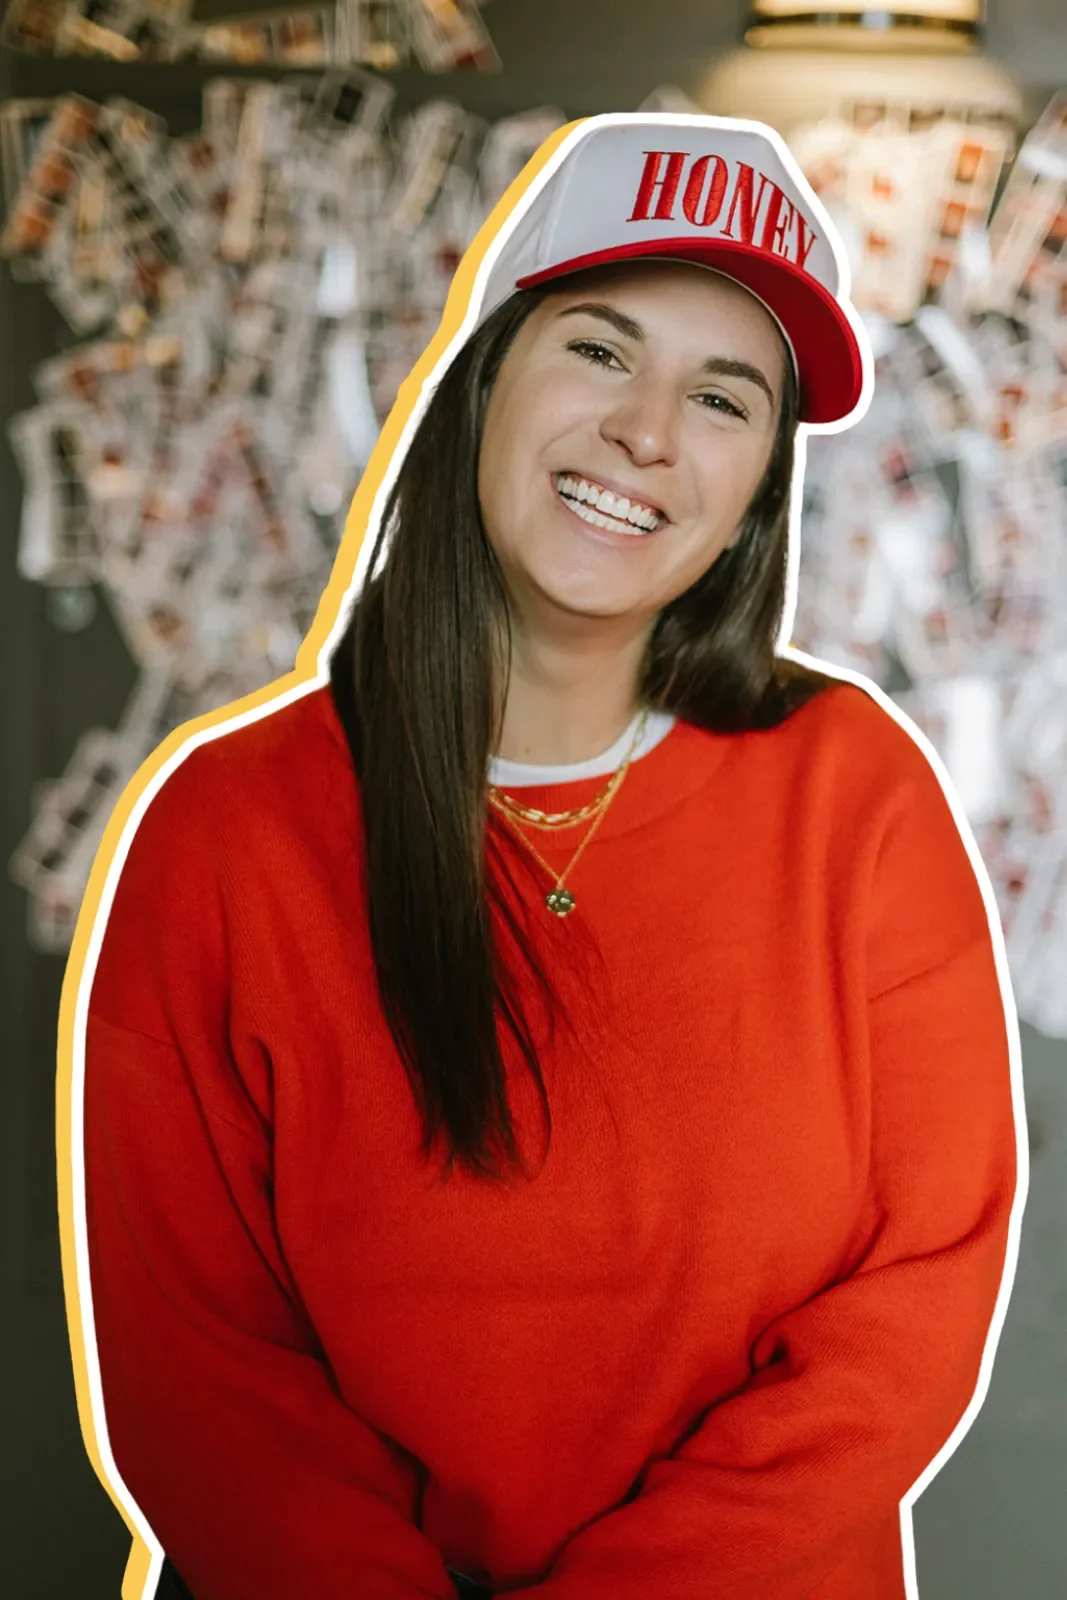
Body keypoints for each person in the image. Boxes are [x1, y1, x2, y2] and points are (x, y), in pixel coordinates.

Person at [75, 115, 1022, 1600]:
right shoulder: (220, 832)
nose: (648, 431)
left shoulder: (859, 799)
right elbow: (199, 1376)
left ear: (752, 496)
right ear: (485, 383)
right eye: (597, 349)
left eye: (722, 397)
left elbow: (911, 1306)